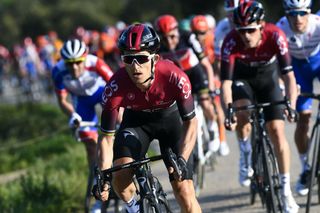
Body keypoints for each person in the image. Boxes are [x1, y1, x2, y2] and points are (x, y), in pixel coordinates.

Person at [93, 23, 201, 213]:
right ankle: (134, 209)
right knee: (120, 179)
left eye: (142, 58)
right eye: (129, 59)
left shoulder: (175, 77)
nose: (135, 67)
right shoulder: (115, 87)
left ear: (155, 58)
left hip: (171, 121)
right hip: (137, 124)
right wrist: (104, 176)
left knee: (184, 190)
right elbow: (106, 137)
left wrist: (182, 160)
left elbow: (191, 123)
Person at [220, 1, 299, 212]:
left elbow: (289, 76)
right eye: (241, 30)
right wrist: (228, 111)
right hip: (242, 79)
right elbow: (225, 84)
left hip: (268, 78)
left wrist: (291, 105)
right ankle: (245, 154)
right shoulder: (230, 41)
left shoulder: (276, 36)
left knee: (276, 131)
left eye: (251, 30)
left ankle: (285, 191)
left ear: (262, 26)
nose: (245, 36)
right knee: (243, 110)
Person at [51, 38, 114, 213]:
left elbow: (115, 85)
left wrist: (121, 111)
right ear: (64, 62)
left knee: (119, 123)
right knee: (90, 144)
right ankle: (97, 182)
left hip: (103, 93)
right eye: (70, 63)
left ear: (85, 58)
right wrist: (73, 115)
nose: (75, 67)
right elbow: (62, 100)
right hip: (82, 103)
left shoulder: (96, 63)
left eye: (78, 62)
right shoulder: (57, 71)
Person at [155, 14, 220, 153]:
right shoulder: (158, 45)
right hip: (176, 79)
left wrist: (211, 89)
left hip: (194, 73)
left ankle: (212, 125)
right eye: (164, 38)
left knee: (205, 102)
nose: (169, 41)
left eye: (172, 36)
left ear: (177, 31)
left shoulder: (188, 37)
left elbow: (206, 65)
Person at [276, 0, 319, 196]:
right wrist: (283, 87)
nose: (298, 18)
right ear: (286, 14)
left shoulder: (318, 24)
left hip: (318, 62)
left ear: (309, 12)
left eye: (302, 13)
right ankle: (306, 168)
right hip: (297, 70)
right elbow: (275, 64)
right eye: (292, 14)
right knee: (303, 122)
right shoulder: (281, 28)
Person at [190, 15, 230, 156]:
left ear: (208, 31)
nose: (198, 36)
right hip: (198, 76)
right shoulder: (191, 42)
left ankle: (222, 139)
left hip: (213, 74)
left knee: (216, 105)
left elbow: (219, 62)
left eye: (202, 33)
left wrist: (218, 78)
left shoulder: (213, 41)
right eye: (195, 33)